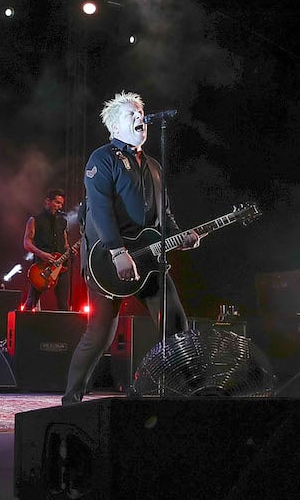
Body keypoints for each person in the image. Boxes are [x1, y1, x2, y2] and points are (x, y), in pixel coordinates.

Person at [61, 91, 200, 405]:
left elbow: (164, 215)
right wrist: (117, 251)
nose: (140, 118)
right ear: (114, 128)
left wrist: (181, 235)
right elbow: (99, 209)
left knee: (176, 326)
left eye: (141, 112)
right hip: (107, 259)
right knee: (100, 335)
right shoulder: (102, 158)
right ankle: (71, 399)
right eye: (131, 114)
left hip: (148, 260)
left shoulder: (153, 166)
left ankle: (189, 395)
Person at [22, 189, 72, 311]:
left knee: (63, 304)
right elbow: (27, 243)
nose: (59, 206)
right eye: (57, 202)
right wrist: (41, 254)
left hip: (61, 267)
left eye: (61, 204)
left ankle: (63, 329)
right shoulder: (35, 220)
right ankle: (24, 327)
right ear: (48, 201)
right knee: (31, 303)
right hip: (42, 267)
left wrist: (70, 250)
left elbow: (65, 244)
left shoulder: (62, 222)